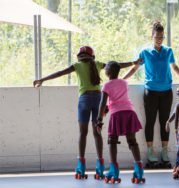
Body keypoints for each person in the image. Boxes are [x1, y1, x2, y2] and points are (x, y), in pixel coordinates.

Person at [33, 46, 140, 179]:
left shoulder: (77, 65)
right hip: (98, 99)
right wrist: (133, 63)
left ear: (79, 56)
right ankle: (100, 166)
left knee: (83, 133)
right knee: (97, 133)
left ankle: (81, 167)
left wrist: (42, 79)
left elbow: (60, 73)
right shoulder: (98, 64)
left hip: (84, 100)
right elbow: (116, 66)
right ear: (92, 56)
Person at [123, 21, 179, 168]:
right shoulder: (145, 52)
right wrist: (120, 80)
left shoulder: (168, 51)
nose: (159, 39)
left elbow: (174, 67)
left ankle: (164, 151)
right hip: (150, 91)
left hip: (166, 91)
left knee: (165, 122)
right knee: (150, 121)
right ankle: (150, 152)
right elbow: (134, 69)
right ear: (152, 36)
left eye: (162, 37)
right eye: (157, 37)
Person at [97, 61, 145, 184]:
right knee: (132, 142)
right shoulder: (124, 83)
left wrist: (99, 120)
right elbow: (119, 97)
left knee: (112, 140)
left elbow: (103, 104)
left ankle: (113, 170)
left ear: (107, 73)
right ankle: (139, 170)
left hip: (117, 114)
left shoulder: (106, 86)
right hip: (129, 112)